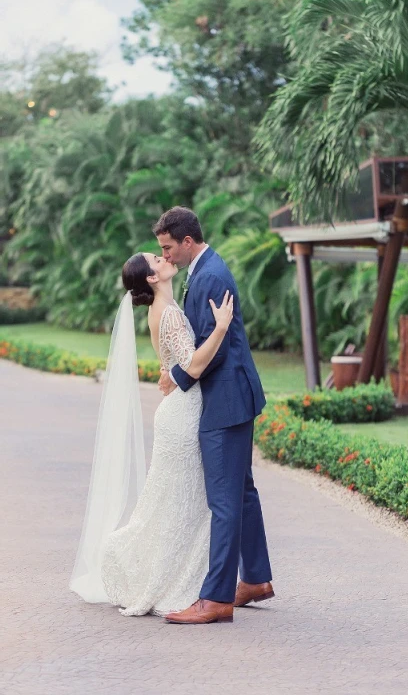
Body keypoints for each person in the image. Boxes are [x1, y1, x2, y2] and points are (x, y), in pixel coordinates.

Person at [70, 251, 234, 617]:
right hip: (184, 418)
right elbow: (191, 365)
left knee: (175, 503)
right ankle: (154, 573)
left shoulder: (164, 309)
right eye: (155, 260)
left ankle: (181, 578)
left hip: (178, 413)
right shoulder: (170, 313)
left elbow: (175, 366)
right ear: (151, 278)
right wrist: (221, 327)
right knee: (180, 503)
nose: (163, 257)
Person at [155, 206, 274, 625]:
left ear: (187, 241)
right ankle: (256, 579)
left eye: (168, 248)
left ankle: (216, 599)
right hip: (233, 394)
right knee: (241, 491)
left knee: (223, 500)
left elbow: (214, 351)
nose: (165, 256)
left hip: (225, 400)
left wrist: (174, 378)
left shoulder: (210, 275)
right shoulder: (204, 269)